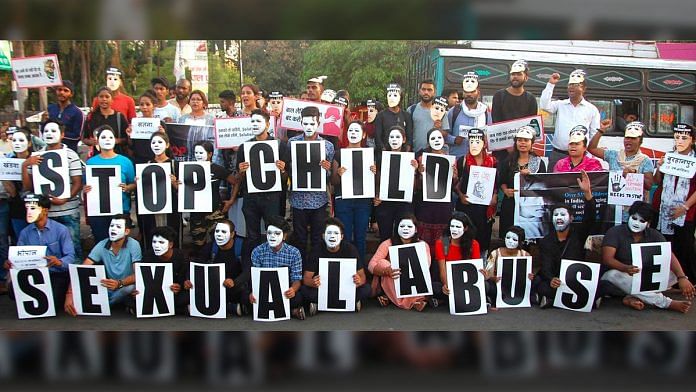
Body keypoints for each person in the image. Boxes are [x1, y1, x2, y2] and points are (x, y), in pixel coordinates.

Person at [600, 201, 694, 313]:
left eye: (642, 221)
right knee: (612, 275)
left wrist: (682, 278)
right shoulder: (615, 232)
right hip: (621, 277)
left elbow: (669, 256)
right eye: (634, 218)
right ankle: (666, 303)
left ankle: (634, 297)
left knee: (675, 272)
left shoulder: (654, 234)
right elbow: (607, 259)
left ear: (648, 223)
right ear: (629, 216)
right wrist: (625, 268)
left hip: (645, 278)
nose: (636, 223)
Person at [533, 170, 598, 308]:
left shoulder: (579, 234)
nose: (559, 218)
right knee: (539, 283)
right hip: (557, 281)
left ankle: (552, 299)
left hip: (576, 280)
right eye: (556, 215)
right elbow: (545, 266)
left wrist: (587, 193)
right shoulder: (546, 241)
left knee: (601, 284)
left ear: (571, 218)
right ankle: (552, 297)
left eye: (563, 214)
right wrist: (551, 279)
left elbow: (590, 218)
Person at [21, 119, 84, 260]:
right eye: (46, 131)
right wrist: (25, 165)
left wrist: (64, 199)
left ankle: (74, 280)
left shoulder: (71, 155)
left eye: (53, 130)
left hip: (69, 211)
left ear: (62, 134)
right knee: (48, 252)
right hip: (45, 214)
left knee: (73, 248)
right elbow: (28, 187)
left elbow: (77, 183)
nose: (49, 134)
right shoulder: (36, 157)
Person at [4, 194, 75, 310]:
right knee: (12, 292)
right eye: (27, 208)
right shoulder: (25, 233)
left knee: (54, 300)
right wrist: (11, 262)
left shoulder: (61, 230)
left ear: (45, 210)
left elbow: (70, 257)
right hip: (34, 274)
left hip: (55, 273)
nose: (29, 212)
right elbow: (18, 256)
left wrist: (59, 262)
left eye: (33, 209)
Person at [64, 214, 142, 316]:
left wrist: (119, 283)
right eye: (112, 226)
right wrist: (69, 295)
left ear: (126, 231)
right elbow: (81, 269)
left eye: (118, 227)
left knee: (130, 288)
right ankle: (114, 303)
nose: (113, 229)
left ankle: (105, 304)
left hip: (125, 285)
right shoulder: (102, 244)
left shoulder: (134, 245)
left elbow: (138, 274)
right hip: (109, 286)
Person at [235, 109, 290, 247]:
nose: (255, 124)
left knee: (273, 233)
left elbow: (286, 178)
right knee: (252, 235)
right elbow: (239, 177)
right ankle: (253, 265)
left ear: (267, 124)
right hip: (251, 198)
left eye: (258, 121)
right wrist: (241, 171)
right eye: (252, 121)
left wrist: (283, 170)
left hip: (272, 198)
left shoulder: (279, 145)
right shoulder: (244, 147)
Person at [287, 106, 334, 259]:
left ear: (318, 123)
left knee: (317, 238)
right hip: (298, 199)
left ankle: (314, 270)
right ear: (301, 123)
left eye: (312, 123)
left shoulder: (327, 146)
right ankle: (300, 271)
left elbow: (330, 176)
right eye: (305, 123)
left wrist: (327, 169)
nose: (309, 127)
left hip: (318, 200)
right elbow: (288, 169)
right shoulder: (292, 143)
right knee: (299, 238)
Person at [300, 217, 371, 315]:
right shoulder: (316, 250)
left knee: (366, 289)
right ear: (323, 236)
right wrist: (313, 282)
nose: (332, 236)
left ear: (342, 236)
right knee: (304, 290)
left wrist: (358, 281)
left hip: (345, 290)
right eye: (329, 233)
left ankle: (349, 301)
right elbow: (306, 279)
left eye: (336, 233)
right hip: (322, 289)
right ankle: (320, 302)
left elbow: (362, 276)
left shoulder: (350, 249)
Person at [653, 123, 696, 281]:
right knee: (666, 245)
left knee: (685, 245)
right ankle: (668, 279)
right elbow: (658, 181)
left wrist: (684, 207)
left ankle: (690, 280)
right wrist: (659, 167)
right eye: (677, 137)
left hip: (686, 212)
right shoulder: (669, 156)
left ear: (692, 140)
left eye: (684, 138)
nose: (680, 141)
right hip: (663, 208)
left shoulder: (695, 159)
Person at [588, 120, 654, 219]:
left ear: (640, 141)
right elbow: (592, 148)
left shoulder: (645, 160)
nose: (629, 141)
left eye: (633, 138)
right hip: (614, 209)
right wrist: (601, 131)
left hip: (634, 212)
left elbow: (649, 185)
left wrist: (634, 174)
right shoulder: (613, 155)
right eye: (627, 138)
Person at [331, 121, 376, 264]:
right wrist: (338, 173)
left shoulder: (370, 154)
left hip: (363, 201)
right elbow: (333, 181)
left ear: (363, 135)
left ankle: (359, 269)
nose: (353, 133)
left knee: (360, 237)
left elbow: (376, 180)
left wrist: (375, 172)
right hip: (343, 200)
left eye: (357, 131)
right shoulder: (339, 153)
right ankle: (344, 268)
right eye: (350, 130)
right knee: (344, 236)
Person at [368, 213, 431, 311]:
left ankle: (391, 298)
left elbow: (426, 265)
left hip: (412, 278)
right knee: (382, 263)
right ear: (397, 228)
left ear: (416, 230)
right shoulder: (388, 243)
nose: (405, 229)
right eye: (402, 226)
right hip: (393, 277)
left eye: (409, 226)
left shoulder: (422, 245)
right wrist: (386, 270)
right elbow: (371, 265)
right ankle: (411, 302)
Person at [84, 125, 136, 243]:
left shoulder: (125, 161)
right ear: (97, 140)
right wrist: (85, 189)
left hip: (120, 209)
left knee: (121, 244)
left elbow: (133, 184)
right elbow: (85, 185)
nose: (107, 139)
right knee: (101, 243)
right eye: (103, 137)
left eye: (110, 137)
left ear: (115, 140)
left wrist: (127, 188)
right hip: (98, 211)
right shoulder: (90, 162)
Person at [540, 69, 601, 170]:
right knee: (553, 184)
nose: (571, 87)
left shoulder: (592, 109)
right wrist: (551, 84)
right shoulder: (560, 104)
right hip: (558, 155)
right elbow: (544, 105)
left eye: (576, 85)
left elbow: (594, 134)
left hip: (581, 157)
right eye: (570, 85)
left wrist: (589, 155)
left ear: (584, 88)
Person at [189, 219, 251, 316]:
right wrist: (188, 280)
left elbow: (247, 271)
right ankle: (230, 308)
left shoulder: (243, 246)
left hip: (235, 286)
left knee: (248, 298)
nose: (219, 234)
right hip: (214, 286)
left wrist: (234, 282)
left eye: (223, 232)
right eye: (217, 231)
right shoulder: (210, 247)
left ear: (232, 234)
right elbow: (197, 264)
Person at [249, 215, 306, 320]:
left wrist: (292, 289)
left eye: (277, 233)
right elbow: (254, 278)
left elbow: (297, 279)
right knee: (246, 296)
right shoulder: (257, 251)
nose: (272, 236)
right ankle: (292, 311)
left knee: (299, 297)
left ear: (284, 236)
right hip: (263, 292)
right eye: (269, 233)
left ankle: (248, 310)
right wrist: (253, 292)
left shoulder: (294, 253)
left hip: (283, 292)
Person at [454, 128, 497, 258]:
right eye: (471, 142)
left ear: (484, 143)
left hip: (484, 209)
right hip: (466, 207)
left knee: (483, 239)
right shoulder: (462, 161)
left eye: (478, 141)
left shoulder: (493, 162)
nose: (474, 145)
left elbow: (497, 183)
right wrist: (460, 195)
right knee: (465, 238)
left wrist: (494, 197)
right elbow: (455, 185)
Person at [498, 126, 548, 236]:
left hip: (530, 205)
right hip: (511, 202)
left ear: (532, 143)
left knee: (528, 234)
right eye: (520, 140)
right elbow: (502, 180)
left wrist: (531, 177)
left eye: (526, 140)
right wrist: (506, 190)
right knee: (509, 232)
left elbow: (543, 184)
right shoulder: (509, 161)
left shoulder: (538, 162)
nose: (522, 143)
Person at [137, 131, 181, 249]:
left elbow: (184, 191)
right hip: (152, 208)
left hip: (172, 208)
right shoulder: (146, 165)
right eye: (154, 142)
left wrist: (174, 183)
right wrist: (139, 182)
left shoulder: (175, 164)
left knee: (172, 234)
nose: (156, 145)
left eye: (160, 142)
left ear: (167, 145)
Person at [374, 125, 418, 241]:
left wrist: (414, 171)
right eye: (391, 137)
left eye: (397, 137)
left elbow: (413, 187)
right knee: (385, 236)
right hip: (385, 203)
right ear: (387, 139)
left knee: (403, 236)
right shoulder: (381, 158)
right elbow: (377, 181)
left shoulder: (410, 159)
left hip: (403, 203)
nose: (394, 139)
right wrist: (377, 195)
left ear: (403, 139)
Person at [415, 128, 458, 248]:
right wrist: (419, 173)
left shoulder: (451, 160)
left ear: (444, 141)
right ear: (428, 142)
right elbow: (417, 185)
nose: (437, 140)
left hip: (443, 206)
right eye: (433, 138)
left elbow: (454, 184)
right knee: (424, 242)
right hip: (425, 206)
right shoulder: (421, 159)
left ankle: (440, 263)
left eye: (439, 137)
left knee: (443, 242)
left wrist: (454, 176)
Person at [491, 60, 538, 163]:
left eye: (518, 74)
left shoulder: (531, 99)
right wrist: (508, 145)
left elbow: (531, 126)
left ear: (526, 77)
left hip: (523, 151)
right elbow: (496, 122)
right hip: (501, 150)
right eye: (513, 74)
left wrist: (520, 145)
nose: (515, 77)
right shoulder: (499, 96)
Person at [136, 226, 189, 315]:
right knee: (131, 298)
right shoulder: (148, 256)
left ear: (170, 244)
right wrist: (138, 291)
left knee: (188, 296)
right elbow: (142, 278)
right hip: (153, 294)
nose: (156, 245)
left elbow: (184, 278)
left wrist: (179, 286)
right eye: (154, 242)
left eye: (161, 242)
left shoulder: (181, 256)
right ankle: (179, 310)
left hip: (173, 292)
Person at [188, 140, 229, 252]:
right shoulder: (188, 169)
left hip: (215, 210)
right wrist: (176, 184)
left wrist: (230, 201)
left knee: (218, 241)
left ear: (210, 154)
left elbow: (235, 182)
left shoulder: (217, 169)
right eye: (196, 153)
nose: (198, 155)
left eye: (201, 153)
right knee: (198, 243)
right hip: (196, 212)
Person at [434, 212, 480, 306]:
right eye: (452, 226)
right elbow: (442, 270)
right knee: (435, 288)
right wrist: (446, 285)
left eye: (458, 227)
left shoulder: (474, 244)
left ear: (465, 228)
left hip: (466, 282)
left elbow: (475, 269)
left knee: (486, 286)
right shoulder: (442, 243)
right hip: (448, 279)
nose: (454, 230)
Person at [483, 225, 534, 308]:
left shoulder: (525, 255)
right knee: (488, 286)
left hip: (518, 286)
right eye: (508, 238)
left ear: (520, 242)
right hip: (499, 285)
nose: (510, 241)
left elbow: (528, 274)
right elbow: (488, 273)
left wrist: (530, 276)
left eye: (514, 239)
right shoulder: (495, 253)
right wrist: (493, 278)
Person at [446, 72, 492, 159]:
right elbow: (444, 135)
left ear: (478, 92)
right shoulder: (454, 111)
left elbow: (490, 135)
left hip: (478, 161)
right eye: (466, 92)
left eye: (472, 92)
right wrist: (454, 140)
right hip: (458, 158)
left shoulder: (485, 112)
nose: (469, 94)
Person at [82, 86, 130, 156]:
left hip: (117, 155)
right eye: (101, 97)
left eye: (107, 97)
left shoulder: (119, 117)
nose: (104, 99)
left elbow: (127, 138)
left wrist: (117, 140)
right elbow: (84, 138)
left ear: (112, 99)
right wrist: (91, 142)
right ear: (97, 99)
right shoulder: (91, 117)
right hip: (97, 156)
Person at [407, 79, 451, 153]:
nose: (426, 92)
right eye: (423, 89)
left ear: (434, 92)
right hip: (416, 153)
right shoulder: (411, 110)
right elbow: (407, 133)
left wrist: (438, 128)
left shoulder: (441, 111)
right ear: (419, 91)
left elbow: (446, 134)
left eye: (429, 90)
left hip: (435, 154)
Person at [126, 90, 166, 164]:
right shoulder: (135, 123)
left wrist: (162, 135)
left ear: (154, 106)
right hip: (138, 159)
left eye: (147, 104)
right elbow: (131, 145)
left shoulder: (160, 124)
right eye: (142, 104)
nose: (144, 107)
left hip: (155, 160)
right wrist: (129, 135)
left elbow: (166, 145)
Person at [179, 90, 218, 164]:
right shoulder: (182, 119)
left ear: (203, 102)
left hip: (205, 160)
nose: (195, 102)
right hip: (186, 158)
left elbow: (214, 141)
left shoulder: (211, 119)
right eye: (193, 99)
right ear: (189, 102)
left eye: (198, 99)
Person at [374, 83, 413, 152]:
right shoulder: (380, 116)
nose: (392, 98)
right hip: (384, 155)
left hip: (402, 154)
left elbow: (409, 138)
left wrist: (406, 153)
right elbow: (377, 137)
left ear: (400, 97)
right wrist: (385, 153)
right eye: (390, 95)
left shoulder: (407, 116)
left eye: (395, 95)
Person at [47, 80, 84, 153]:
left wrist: (59, 135)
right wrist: (43, 122)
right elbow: (44, 131)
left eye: (65, 90)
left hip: (69, 151)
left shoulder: (77, 112)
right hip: (50, 151)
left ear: (71, 94)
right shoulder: (50, 109)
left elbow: (77, 136)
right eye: (59, 89)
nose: (62, 92)